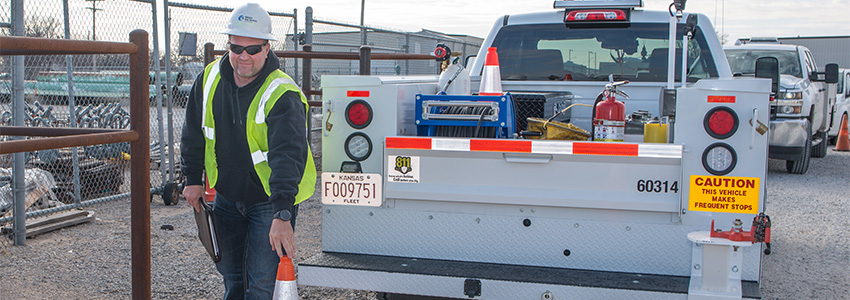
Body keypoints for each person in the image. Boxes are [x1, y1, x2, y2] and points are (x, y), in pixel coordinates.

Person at [180, 3, 316, 299]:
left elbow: (287, 157)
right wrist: (191, 178)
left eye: (253, 49)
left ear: (267, 48)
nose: (243, 56)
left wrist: (281, 215)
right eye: (236, 47)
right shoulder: (209, 79)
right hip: (228, 196)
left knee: (263, 284)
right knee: (233, 279)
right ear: (228, 46)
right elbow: (193, 131)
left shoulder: (282, 94)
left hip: (268, 203)